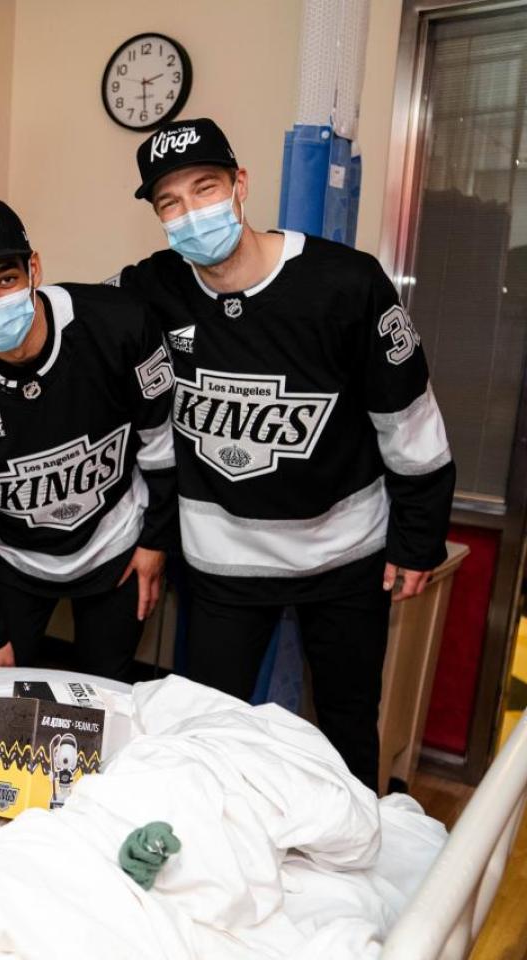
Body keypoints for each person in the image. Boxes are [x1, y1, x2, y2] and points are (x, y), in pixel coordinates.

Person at [111, 118, 455, 789]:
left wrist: (418, 539)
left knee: (349, 721)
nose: (190, 213)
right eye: (170, 203)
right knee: (207, 726)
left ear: (240, 185)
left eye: (204, 189)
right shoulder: (154, 289)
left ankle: (355, 861)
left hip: (344, 552)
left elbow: (409, 419)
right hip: (223, 558)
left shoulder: (345, 285)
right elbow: (73, 324)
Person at [0, 199, 176, 676]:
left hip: (114, 543)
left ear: (34, 268)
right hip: (10, 562)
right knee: (0, 705)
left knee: (106, 694)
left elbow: (161, 443)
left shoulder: (114, 326)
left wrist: (155, 542)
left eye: (5, 280)